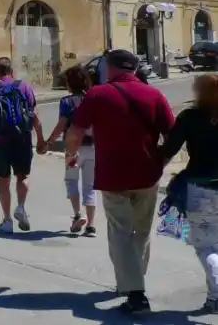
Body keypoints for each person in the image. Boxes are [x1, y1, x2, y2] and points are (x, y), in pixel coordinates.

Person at [66, 49, 175, 315]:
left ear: (110, 68)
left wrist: (72, 155)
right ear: (134, 69)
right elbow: (173, 134)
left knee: (120, 233)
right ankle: (132, 281)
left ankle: (135, 293)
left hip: (114, 176)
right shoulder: (154, 94)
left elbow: (75, 131)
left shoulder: (98, 94)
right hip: (148, 176)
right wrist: (162, 162)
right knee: (142, 232)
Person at [160, 74, 218, 314]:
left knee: (205, 246)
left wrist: (155, 170)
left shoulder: (189, 117)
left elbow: (169, 149)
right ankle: (212, 299)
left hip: (201, 187)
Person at [0, 57, 46, 233]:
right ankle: (21, 207)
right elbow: (34, 114)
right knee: (22, 175)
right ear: (12, 71)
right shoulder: (24, 87)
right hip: (22, 139)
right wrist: (40, 138)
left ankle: (7, 220)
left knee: (3, 179)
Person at [42, 64, 96, 236]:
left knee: (72, 180)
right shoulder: (93, 99)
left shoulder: (66, 102)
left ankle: (77, 215)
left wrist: (49, 142)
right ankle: (91, 226)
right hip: (93, 148)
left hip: (73, 150)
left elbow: (61, 125)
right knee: (90, 185)